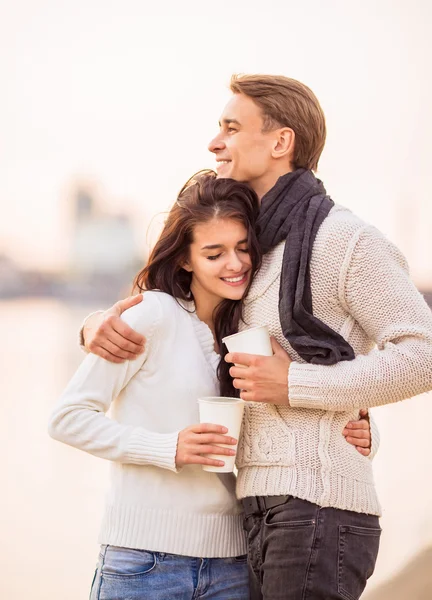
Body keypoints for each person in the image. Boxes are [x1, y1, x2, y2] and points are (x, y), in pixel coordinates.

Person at [78, 74, 424, 600]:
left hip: (317, 510)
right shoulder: (255, 251)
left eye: (231, 127)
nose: (215, 142)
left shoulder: (344, 238)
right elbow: (186, 317)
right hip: (258, 514)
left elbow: (421, 354)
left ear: (281, 142)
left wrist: (296, 385)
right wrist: (94, 326)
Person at [49, 172, 261, 600]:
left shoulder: (257, 329)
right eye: (214, 253)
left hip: (235, 569)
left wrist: (367, 434)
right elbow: (67, 419)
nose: (235, 264)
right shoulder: (153, 315)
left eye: (242, 248)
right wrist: (168, 448)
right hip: (144, 566)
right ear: (185, 260)